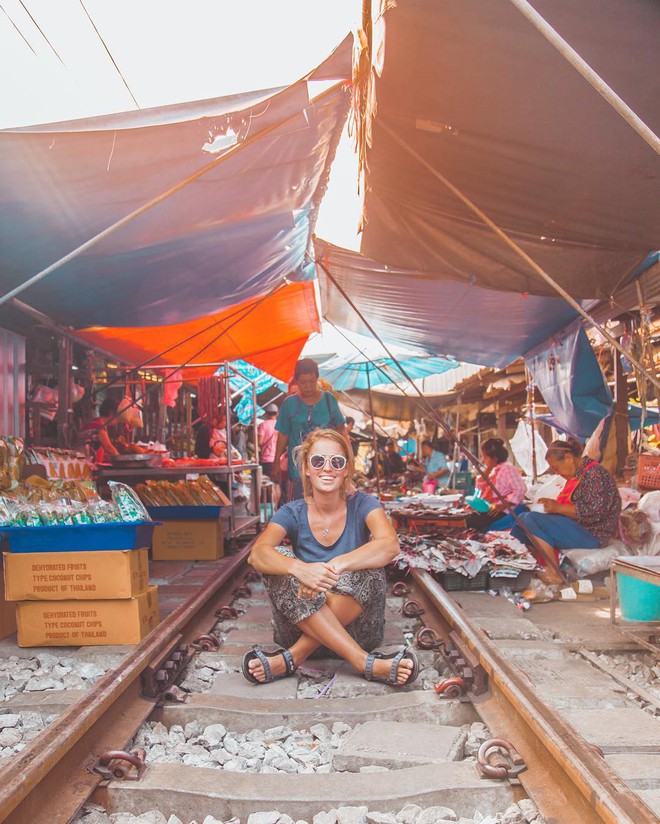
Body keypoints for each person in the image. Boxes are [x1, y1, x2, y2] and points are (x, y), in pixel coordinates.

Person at [244, 428, 419, 686]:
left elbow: (389, 545)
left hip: (358, 631)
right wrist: (300, 569)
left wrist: (332, 566)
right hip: (300, 624)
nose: (328, 468)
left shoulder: (363, 504)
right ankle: (362, 662)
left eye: (336, 462)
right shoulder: (291, 512)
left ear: (346, 469)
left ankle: (294, 657)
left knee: (370, 565)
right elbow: (256, 554)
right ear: (306, 467)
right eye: (318, 461)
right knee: (278, 558)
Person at [511, 439, 622, 581]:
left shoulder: (595, 474)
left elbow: (595, 512)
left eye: (557, 468)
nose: (558, 473)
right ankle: (538, 565)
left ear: (569, 458)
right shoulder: (580, 474)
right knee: (521, 520)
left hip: (593, 534)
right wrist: (552, 506)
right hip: (577, 528)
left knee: (530, 519)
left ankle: (554, 572)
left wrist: (558, 508)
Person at [272, 358, 350, 501]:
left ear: (317, 378)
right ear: (296, 381)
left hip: (327, 468)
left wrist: (348, 457)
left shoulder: (329, 400)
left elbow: (341, 430)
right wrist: (276, 462)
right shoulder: (289, 404)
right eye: (303, 382)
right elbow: (283, 435)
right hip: (298, 470)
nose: (307, 386)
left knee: (327, 505)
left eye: (311, 381)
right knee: (300, 507)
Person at [466, 438, 527, 531]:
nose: (483, 460)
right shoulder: (494, 470)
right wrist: (489, 468)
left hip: (504, 511)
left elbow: (520, 489)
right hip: (491, 508)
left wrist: (503, 505)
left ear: (495, 458)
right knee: (468, 517)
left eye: (485, 457)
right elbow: (479, 487)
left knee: (473, 521)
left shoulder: (508, 469)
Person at [82, 398, 120, 463]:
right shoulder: (97, 425)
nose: (118, 420)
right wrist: (120, 459)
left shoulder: (101, 424)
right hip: (87, 467)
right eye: (118, 416)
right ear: (111, 413)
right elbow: (109, 448)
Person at [258, 404, 281, 508]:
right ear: (277, 414)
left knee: (270, 484)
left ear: (266, 414)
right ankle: (277, 507)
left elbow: (260, 441)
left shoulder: (263, 425)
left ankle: (273, 508)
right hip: (279, 459)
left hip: (267, 459)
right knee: (277, 484)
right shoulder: (280, 425)